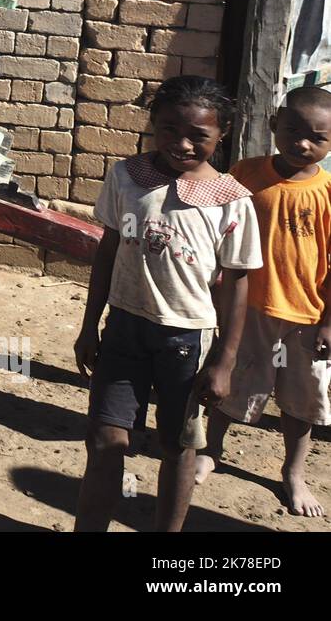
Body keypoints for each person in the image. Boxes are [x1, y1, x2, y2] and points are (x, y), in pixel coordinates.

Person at [73, 75, 262, 531]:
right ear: (153, 125)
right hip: (123, 326)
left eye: (198, 135)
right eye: (169, 130)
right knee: (104, 440)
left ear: (221, 135)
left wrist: (225, 360)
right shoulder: (126, 177)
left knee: (178, 446)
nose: (181, 144)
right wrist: (88, 325)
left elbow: (236, 283)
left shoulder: (231, 202)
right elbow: (108, 251)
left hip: (187, 338)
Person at [195, 86, 331, 517]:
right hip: (248, 308)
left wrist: (329, 322)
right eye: (292, 130)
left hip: (308, 315)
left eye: (317, 137)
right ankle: (211, 449)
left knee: (301, 400)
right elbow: (217, 231)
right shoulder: (245, 174)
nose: (302, 143)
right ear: (273, 125)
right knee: (229, 382)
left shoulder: (328, 191)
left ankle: (293, 472)